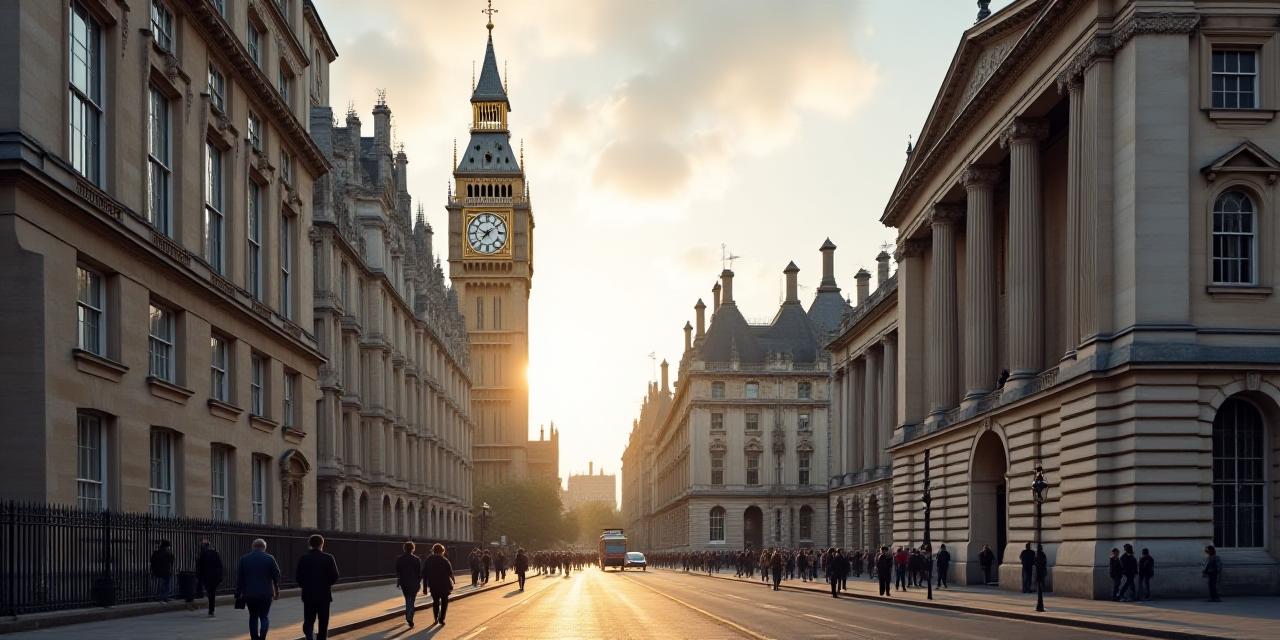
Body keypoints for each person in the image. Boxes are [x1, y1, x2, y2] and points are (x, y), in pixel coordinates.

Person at [296, 534, 340, 640]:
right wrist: (327, 584)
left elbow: (298, 576)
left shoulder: (304, 558)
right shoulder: (328, 558)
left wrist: (305, 586)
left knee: (309, 619)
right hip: (324, 595)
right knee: (323, 620)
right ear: (322, 544)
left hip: (308, 595)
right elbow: (335, 576)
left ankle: (309, 636)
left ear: (309, 544)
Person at [236, 539, 281, 640]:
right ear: (264, 548)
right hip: (266, 593)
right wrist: (276, 591)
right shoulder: (270, 558)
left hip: (250, 594)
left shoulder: (244, 559)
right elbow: (277, 576)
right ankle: (262, 637)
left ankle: (254, 638)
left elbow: (240, 578)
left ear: (253, 547)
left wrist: (238, 593)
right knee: (264, 616)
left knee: (253, 617)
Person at [422, 544, 456, 626]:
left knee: (435, 602)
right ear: (442, 551)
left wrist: (425, 587)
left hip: (433, 585)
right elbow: (450, 573)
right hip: (444, 585)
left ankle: (435, 617)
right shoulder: (445, 560)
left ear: (433, 551)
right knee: (444, 602)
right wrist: (453, 582)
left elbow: (424, 574)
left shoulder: (428, 560)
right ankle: (442, 619)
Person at [395, 541, 423, 628]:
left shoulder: (400, 559)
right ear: (413, 549)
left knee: (407, 598)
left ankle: (408, 614)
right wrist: (419, 582)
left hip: (404, 582)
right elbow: (419, 573)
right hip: (414, 582)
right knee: (412, 599)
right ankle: (409, 616)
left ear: (404, 548)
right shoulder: (416, 559)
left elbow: (398, 571)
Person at [196, 540, 223, 617]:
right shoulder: (215, 553)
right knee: (212, 593)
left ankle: (211, 609)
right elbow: (220, 566)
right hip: (215, 577)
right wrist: (220, 577)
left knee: (210, 592)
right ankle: (211, 610)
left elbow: (200, 568)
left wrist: (199, 577)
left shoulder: (202, 554)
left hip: (206, 577)